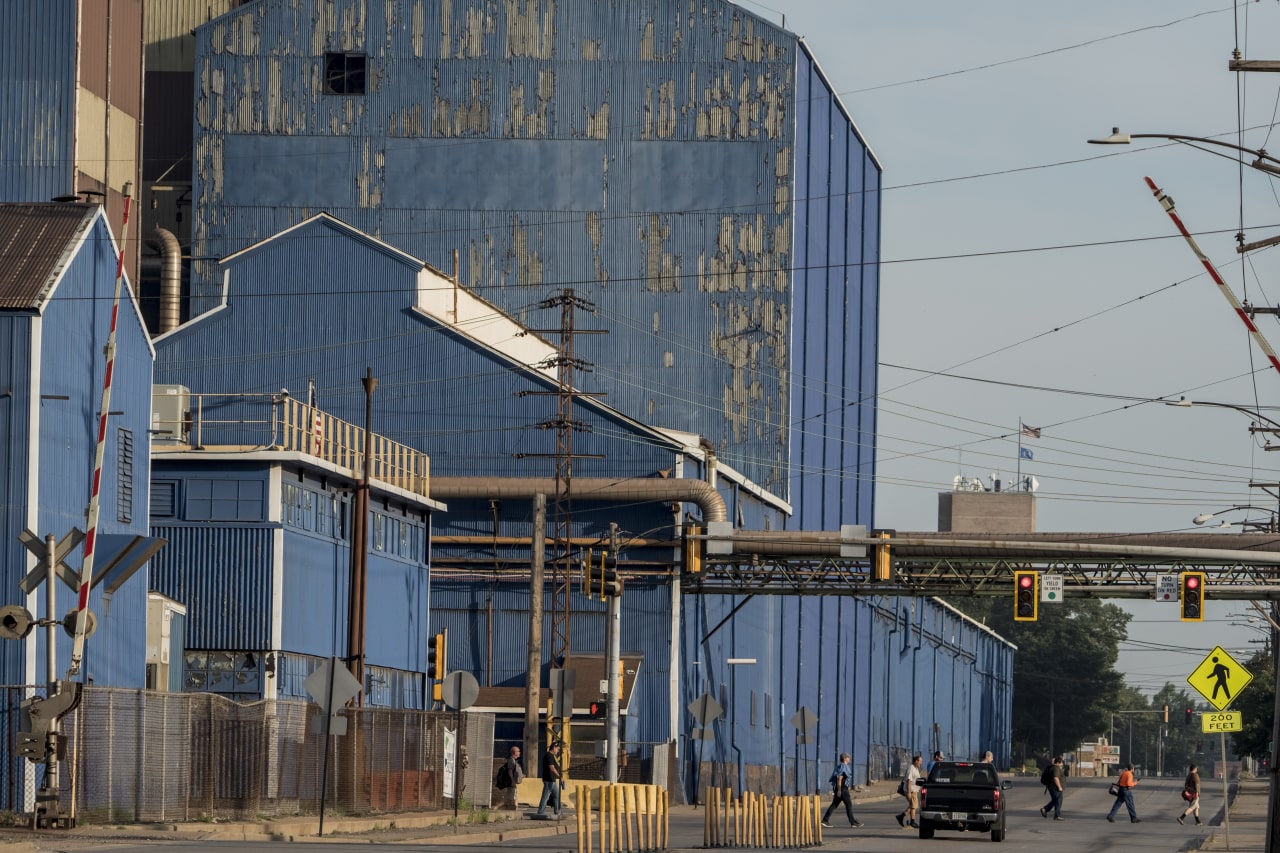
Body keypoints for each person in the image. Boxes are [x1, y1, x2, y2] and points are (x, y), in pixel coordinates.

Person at [820, 753, 864, 828]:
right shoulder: (843, 767)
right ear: (844, 758)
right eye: (848, 757)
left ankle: (825, 820)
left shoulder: (840, 766)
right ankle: (853, 822)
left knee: (834, 805)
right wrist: (839, 790)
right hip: (843, 789)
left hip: (840, 788)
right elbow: (839, 778)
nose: (849, 758)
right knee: (849, 805)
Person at [536, 741, 564, 818]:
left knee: (556, 795)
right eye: (557, 749)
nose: (558, 751)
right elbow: (552, 768)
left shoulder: (550, 756)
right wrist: (559, 777)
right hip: (549, 780)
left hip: (552, 780)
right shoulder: (549, 756)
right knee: (546, 796)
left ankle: (557, 811)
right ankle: (541, 812)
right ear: (554, 748)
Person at [897, 754, 924, 829]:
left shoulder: (916, 768)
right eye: (920, 761)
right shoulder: (911, 768)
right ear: (916, 761)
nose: (921, 763)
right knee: (914, 806)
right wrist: (908, 792)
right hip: (911, 790)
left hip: (914, 790)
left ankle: (901, 816)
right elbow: (909, 780)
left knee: (913, 805)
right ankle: (912, 822)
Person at [1039, 755, 1065, 820]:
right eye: (1061, 763)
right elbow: (1056, 778)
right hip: (1055, 788)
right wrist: (1059, 787)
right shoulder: (1055, 768)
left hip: (1052, 787)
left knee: (1055, 800)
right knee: (1058, 800)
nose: (1062, 764)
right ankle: (1057, 815)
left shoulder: (1053, 768)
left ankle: (1045, 809)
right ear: (1058, 762)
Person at [502, 744, 525, 810]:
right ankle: (497, 807)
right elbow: (510, 771)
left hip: (514, 782)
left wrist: (521, 775)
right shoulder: (511, 761)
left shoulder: (514, 761)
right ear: (515, 752)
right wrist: (512, 781)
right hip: (512, 783)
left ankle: (514, 808)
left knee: (513, 797)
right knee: (513, 797)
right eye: (518, 751)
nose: (519, 753)